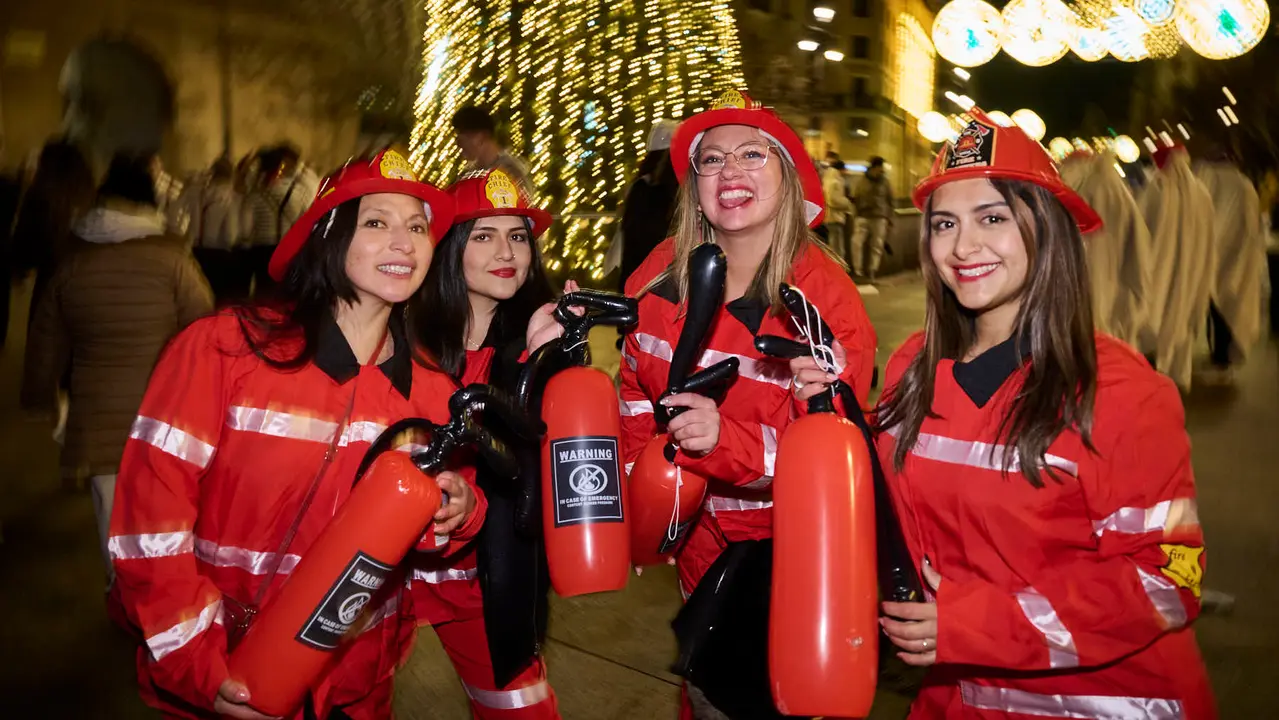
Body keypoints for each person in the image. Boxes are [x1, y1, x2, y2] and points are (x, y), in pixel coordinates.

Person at [108, 149, 483, 719]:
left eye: (416, 228)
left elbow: (434, 542)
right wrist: (197, 664)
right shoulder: (224, 351)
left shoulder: (434, 392)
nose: (404, 243)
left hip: (357, 687)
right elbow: (149, 521)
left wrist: (461, 512)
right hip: (225, 670)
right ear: (328, 236)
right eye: (376, 222)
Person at [864, 110, 1215, 719]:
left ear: (1045, 230)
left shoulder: (1122, 392)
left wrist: (971, 623)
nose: (962, 247)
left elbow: (1167, 582)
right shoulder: (910, 368)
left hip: (1104, 704)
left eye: (992, 218)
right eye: (944, 223)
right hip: (956, 695)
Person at [619, 89, 876, 719]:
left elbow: (831, 464)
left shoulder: (825, 303)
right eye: (711, 159)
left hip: (782, 553)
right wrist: (643, 497)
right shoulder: (658, 273)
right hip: (692, 538)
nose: (729, 169)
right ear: (695, 187)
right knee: (701, 691)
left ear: (788, 181)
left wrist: (721, 442)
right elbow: (633, 390)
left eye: (752, 154)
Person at [411, 167, 567, 718]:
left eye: (518, 236)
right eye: (484, 235)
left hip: (483, 578)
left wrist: (548, 363)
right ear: (448, 247)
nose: (507, 253)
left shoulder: (539, 340)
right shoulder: (400, 339)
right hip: (389, 572)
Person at [21, 153, 213, 585]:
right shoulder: (173, 260)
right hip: (162, 410)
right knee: (160, 503)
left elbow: (46, 335)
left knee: (108, 504)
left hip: (97, 411)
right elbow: (204, 328)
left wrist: (38, 395)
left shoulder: (72, 260)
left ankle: (118, 587)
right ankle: (158, 588)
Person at [1138, 144, 1215, 391]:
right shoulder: (1202, 194)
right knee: (1180, 323)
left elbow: (1141, 231)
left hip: (1158, 273)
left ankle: (1153, 379)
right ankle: (1172, 380)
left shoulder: (1157, 190)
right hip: (1191, 272)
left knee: (1155, 323)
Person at [1059, 148, 1151, 349]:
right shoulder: (1118, 191)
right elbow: (1138, 243)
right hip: (1113, 280)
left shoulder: (1082, 189)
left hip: (1085, 279)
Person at [1194, 151, 1266, 385]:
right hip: (1236, 256)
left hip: (1217, 254)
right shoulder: (1244, 186)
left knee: (1215, 305)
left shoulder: (1208, 183)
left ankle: (1219, 351)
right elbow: (1252, 225)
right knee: (1229, 304)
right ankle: (1222, 353)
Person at [451, 106, 532, 190]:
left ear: (482, 136)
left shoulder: (511, 171)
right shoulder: (467, 175)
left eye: (465, 136)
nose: (459, 144)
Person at [850, 155, 893, 282]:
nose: (881, 171)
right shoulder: (861, 181)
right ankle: (858, 271)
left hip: (880, 216)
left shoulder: (885, 182)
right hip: (863, 216)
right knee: (856, 243)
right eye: (880, 168)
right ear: (874, 167)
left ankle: (872, 271)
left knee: (877, 245)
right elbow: (855, 197)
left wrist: (890, 218)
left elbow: (890, 200)